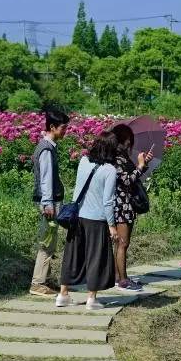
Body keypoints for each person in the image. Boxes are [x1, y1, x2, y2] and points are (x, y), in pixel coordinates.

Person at [56, 131, 119, 310]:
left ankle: (63, 294)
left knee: (72, 255)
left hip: (78, 217)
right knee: (95, 257)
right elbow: (108, 202)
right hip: (97, 220)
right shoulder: (110, 170)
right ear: (111, 150)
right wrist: (112, 225)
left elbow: (78, 188)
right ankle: (92, 299)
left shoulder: (83, 161)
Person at [29, 109, 69, 297]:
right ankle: (37, 283)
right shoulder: (46, 149)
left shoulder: (48, 146)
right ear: (52, 127)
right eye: (63, 128)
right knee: (47, 243)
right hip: (50, 203)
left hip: (51, 201)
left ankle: (43, 280)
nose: (65, 131)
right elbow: (45, 178)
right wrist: (48, 204)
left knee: (49, 242)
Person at [111, 124, 153, 291]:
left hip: (125, 204)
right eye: (129, 139)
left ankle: (117, 276)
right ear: (125, 140)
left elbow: (132, 178)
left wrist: (144, 164)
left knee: (121, 244)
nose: (130, 143)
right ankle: (123, 279)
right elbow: (127, 181)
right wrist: (140, 166)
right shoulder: (115, 158)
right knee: (123, 243)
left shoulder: (121, 157)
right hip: (121, 205)